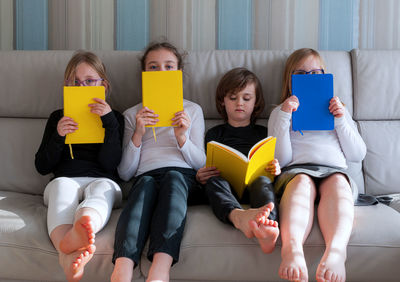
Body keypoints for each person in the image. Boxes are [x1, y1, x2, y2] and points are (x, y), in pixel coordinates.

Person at [268, 48, 367, 282]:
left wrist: (341, 119)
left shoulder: (339, 109)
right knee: (301, 183)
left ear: (324, 75)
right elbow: (281, 159)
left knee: (337, 185)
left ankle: (336, 252)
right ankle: (291, 248)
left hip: (335, 171)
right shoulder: (279, 113)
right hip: (296, 171)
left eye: (315, 73)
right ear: (290, 81)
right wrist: (284, 116)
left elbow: (357, 154)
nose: (309, 78)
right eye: (301, 74)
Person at [111, 42, 206, 282]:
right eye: (153, 67)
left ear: (178, 73)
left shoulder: (192, 110)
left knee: (174, 178)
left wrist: (181, 136)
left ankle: (160, 269)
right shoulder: (132, 114)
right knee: (143, 186)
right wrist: (138, 134)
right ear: (144, 75)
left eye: (168, 67)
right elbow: (125, 172)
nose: (161, 72)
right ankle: (122, 269)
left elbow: (201, 164)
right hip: (146, 177)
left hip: (183, 178)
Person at [35, 51, 124, 281]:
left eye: (89, 81)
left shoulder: (115, 118)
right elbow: (42, 166)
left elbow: (110, 164)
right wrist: (58, 136)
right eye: (75, 82)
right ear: (67, 86)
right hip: (65, 178)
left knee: (101, 190)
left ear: (103, 85)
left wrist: (109, 124)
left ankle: (85, 223)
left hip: (102, 178)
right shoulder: (58, 117)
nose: (82, 87)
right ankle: (67, 252)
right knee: (62, 187)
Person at [196, 67, 280, 254]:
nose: (239, 103)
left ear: (256, 102)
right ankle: (237, 216)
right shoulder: (214, 134)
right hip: (227, 190)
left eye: (246, 98)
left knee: (264, 182)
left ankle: (268, 227)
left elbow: (273, 165)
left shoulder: (264, 133)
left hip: (255, 187)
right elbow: (206, 166)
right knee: (214, 182)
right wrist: (200, 175)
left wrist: (275, 168)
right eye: (232, 98)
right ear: (222, 102)